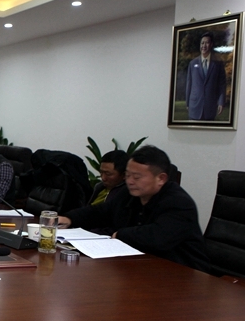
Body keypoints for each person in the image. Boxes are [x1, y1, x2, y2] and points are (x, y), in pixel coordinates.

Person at [59, 145, 210, 273]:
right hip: (142, 268)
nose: (130, 181)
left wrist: (120, 234)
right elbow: (102, 212)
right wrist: (69, 218)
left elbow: (157, 238)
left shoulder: (179, 203)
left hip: (182, 274)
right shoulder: (129, 193)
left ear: (161, 178)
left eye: (137, 177)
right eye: (128, 175)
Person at [186, 32, 226, 120]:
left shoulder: (218, 64)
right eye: (202, 43)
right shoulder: (192, 63)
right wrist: (187, 103)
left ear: (211, 45)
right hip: (194, 107)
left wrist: (221, 102)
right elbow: (189, 84)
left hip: (210, 108)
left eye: (207, 43)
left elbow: (222, 85)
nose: (204, 45)